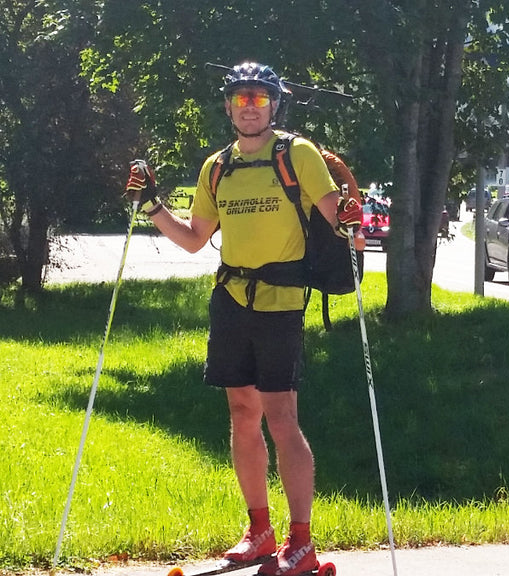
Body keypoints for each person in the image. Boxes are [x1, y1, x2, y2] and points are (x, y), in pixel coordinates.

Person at [125, 62, 359, 576]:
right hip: (230, 298)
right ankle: (260, 531)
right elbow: (194, 239)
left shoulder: (297, 154)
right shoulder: (217, 167)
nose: (249, 107)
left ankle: (302, 542)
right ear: (228, 107)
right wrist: (152, 206)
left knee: (281, 417)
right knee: (240, 413)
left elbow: (342, 223)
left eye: (259, 98)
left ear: (275, 104)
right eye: (240, 98)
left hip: (282, 300)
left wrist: (350, 220)